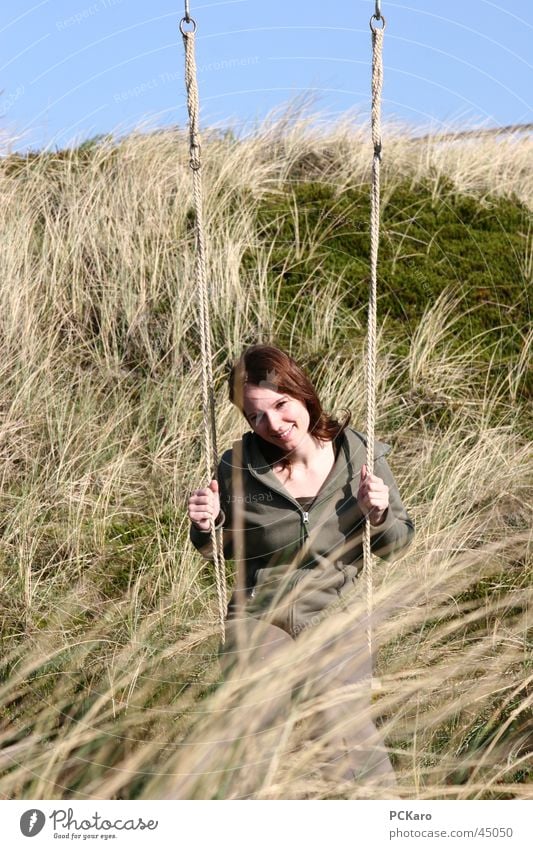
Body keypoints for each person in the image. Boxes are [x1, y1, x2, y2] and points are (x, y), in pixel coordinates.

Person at [187, 344, 414, 792]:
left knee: (339, 722)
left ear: (302, 394)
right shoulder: (238, 465)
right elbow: (218, 549)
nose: (273, 425)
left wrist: (380, 514)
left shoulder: (358, 455)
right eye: (256, 417)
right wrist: (204, 524)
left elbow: (397, 543)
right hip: (259, 615)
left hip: (334, 611)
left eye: (279, 405)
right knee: (252, 720)